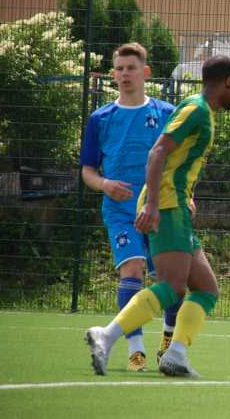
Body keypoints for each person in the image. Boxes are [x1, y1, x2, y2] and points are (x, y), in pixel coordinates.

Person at [85, 55, 230, 378]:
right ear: (228, 82)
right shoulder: (196, 110)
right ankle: (107, 335)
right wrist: (153, 205)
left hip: (177, 205)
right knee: (171, 285)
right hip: (167, 205)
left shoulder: (202, 112)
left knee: (206, 289)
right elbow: (158, 152)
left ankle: (176, 355)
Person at [80, 42, 181, 372]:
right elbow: (88, 171)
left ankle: (168, 341)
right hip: (121, 210)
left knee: (172, 279)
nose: (125, 74)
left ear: (145, 72)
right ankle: (135, 351)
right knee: (133, 270)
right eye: (120, 69)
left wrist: (187, 196)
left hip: (162, 207)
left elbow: (180, 163)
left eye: (131, 68)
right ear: (113, 75)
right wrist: (105, 184)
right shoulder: (100, 118)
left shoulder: (166, 113)